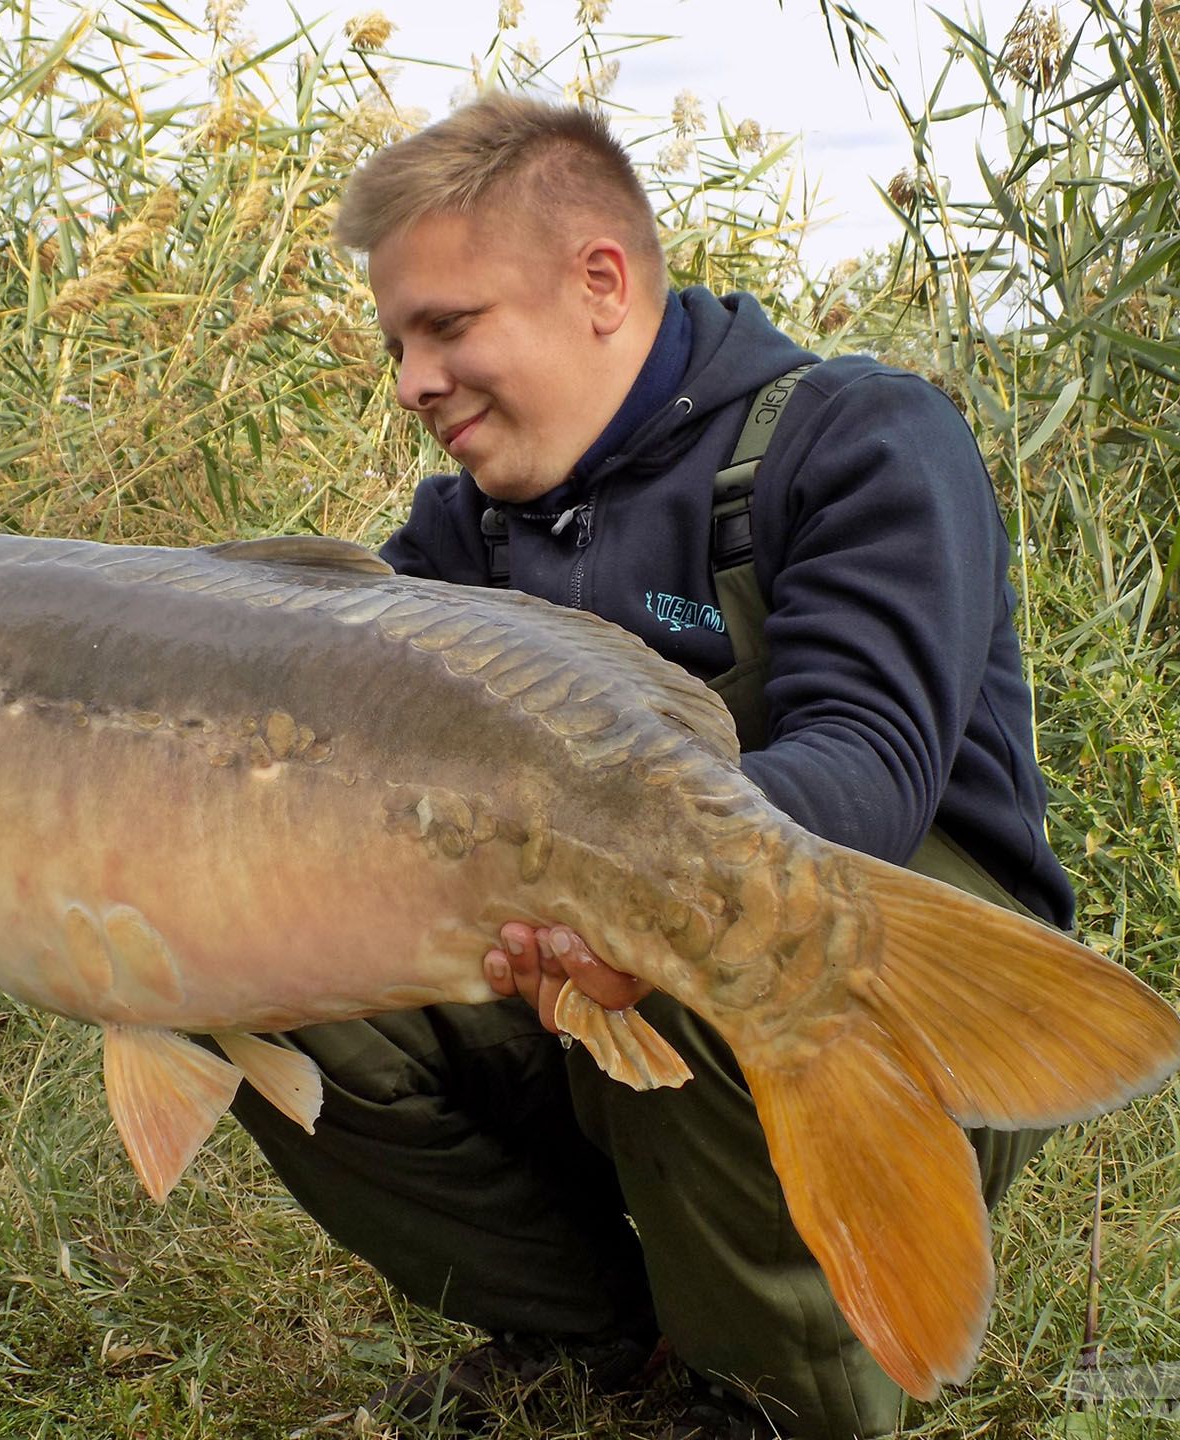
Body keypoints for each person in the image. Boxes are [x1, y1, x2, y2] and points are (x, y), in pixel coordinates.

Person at [225, 94, 1075, 1439]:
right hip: (580, 1002)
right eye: (397, 344)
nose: (411, 385)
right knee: (261, 977)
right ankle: (594, 1339)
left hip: (914, 998)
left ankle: (775, 1399)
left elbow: (872, 763)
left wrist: (620, 892)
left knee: (702, 928)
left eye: (448, 327)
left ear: (601, 285)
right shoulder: (459, 540)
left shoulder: (854, 438)